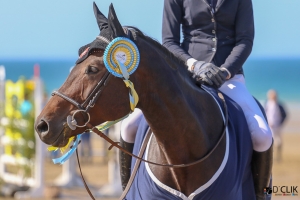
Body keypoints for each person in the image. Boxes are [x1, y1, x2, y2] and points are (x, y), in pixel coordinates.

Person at [120, 1, 273, 199]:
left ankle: (262, 194)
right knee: (128, 127)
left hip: (228, 78)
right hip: (186, 76)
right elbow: (169, 41)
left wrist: (225, 71)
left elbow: (245, 40)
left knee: (263, 136)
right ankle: (126, 191)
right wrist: (194, 65)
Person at [264, 89, 287, 162]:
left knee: (279, 142)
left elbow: (285, 115)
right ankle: (270, 157)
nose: (273, 97)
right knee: (270, 142)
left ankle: (278, 157)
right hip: (269, 127)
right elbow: (264, 114)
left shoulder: (279, 105)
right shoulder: (267, 104)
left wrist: (280, 123)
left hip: (277, 127)